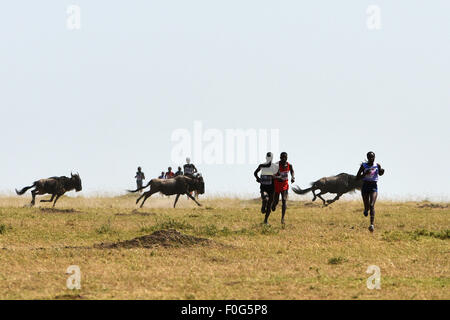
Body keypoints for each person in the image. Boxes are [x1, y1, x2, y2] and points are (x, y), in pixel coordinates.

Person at [356, 151, 385, 232]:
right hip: (365, 186)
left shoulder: (377, 165)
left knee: (372, 205)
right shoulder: (363, 166)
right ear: (368, 158)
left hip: (373, 186)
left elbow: (380, 173)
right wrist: (365, 174)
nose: (372, 159)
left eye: (373, 157)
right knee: (367, 206)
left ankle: (371, 225)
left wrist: (382, 171)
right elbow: (357, 177)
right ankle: (365, 209)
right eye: (370, 157)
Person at [271, 152, 295, 225]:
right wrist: (278, 177)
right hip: (277, 185)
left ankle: (282, 218)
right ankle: (273, 205)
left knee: (284, 200)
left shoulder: (289, 165)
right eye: (282, 157)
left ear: (287, 157)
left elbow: (292, 171)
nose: (284, 158)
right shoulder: (276, 165)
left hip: (285, 185)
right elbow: (272, 176)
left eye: (285, 157)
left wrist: (293, 177)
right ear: (280, 157)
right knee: (276, 201)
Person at [254, 152, 278, 222]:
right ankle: (263, 205)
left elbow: (279, 175)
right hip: (263, 187)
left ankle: (265, 220)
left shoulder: (275, 166)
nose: (269, 159)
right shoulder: (262, 165)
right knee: (265, 199)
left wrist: (275, 177)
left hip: (272, 188)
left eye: (270, 157)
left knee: (270, 205)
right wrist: (258, 178)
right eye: (268, 157)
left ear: (272, 158)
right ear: (266, 157)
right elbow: (255, 172)